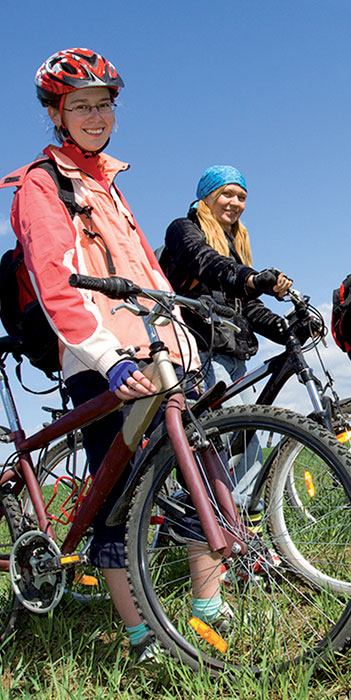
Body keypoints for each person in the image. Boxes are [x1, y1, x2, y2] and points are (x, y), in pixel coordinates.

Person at [0, 48, 224, 661]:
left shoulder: (108, 184)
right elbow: (55, 280)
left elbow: (148, 275)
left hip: (159, 355)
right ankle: (140, 635)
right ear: (56, 112)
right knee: (119, 502)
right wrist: (107, 358)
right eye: (80, 106)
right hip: (103, 363)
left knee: (199, 474)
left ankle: (210, 615)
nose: (95, 116)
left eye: (104, 105)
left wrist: (182, 339)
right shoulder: (41, 186)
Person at [161, 165, 293, 508]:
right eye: (227, 193)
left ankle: (238, 517)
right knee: (228, 436)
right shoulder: (183, 230)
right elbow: (204, 263)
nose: (235, 202)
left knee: (250, 437)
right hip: (197, 350)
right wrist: (252, 278)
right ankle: (220, 517)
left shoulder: (235, 246)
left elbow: (247, 308)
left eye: (242, 196)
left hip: (233, 354)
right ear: (206, 196)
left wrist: (287, 328)